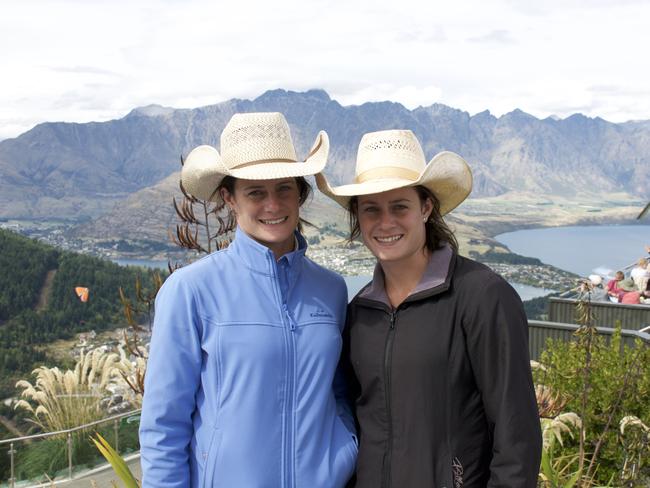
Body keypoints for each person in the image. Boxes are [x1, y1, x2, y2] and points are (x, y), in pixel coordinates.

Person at [139, 113, 357, 488]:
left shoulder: (331, 289)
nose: (273, 204)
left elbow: (337, 389)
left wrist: (343, 449)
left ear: (300, 193)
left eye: (284, 188)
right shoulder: (190, 290)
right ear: (230, 198)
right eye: (256, 191)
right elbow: (164, 427)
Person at [317, 130, 542, 487]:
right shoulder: (360, 312)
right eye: (371, 209)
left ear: (426, 207)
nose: (385, 222)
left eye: (399, 206)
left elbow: (517, 435)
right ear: (357, 219)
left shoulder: (482, 296)